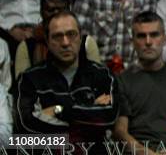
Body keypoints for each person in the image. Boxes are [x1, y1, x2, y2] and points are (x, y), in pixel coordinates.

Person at [15, 10, 118, 153]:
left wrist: (58, 110)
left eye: (71, 34)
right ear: (47, 40)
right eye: (57, 36)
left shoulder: (102, 75)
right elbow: (25, 129)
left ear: (80, 37)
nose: (65, 43)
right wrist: (89, 111)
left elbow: (109, 117)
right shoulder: (30, 79)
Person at [113, 11, 166, 153]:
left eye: (154, 34)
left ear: (165, 39)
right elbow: (120, 131)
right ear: (132, 41)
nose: (148, 42)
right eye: (141, 36)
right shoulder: (122, 80)